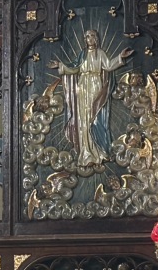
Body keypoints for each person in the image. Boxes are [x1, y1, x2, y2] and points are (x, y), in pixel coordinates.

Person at [49, 29, 132, 168]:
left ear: (96, 38)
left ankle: (98, 151)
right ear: (85, 39)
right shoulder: (83, 54)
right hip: (82, 86)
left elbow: (108, 66)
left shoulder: (100, 53)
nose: (90, 38)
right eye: (87, 36)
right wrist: (60, 65)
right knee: (83, 119)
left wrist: (120, 57)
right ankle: (85, 152)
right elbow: (74, 68)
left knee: (94, 115)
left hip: (95, 84)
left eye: (92, 36)